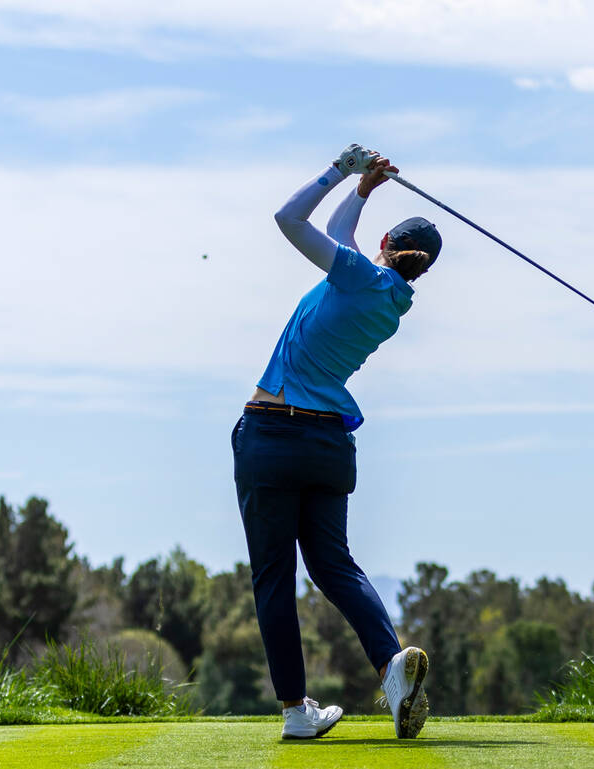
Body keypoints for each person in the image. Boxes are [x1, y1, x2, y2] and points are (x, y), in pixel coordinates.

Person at [231, 145, 440, 740]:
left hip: (272, 435)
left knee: (274, 574)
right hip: (327, 449)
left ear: (385, 247)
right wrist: (365, 191)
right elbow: (339, 234)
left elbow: (290, 221)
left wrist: (339, 172)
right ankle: (390, 664)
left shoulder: (355, 273)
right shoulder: (394, 300)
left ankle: (297, 712)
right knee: (331, 564)